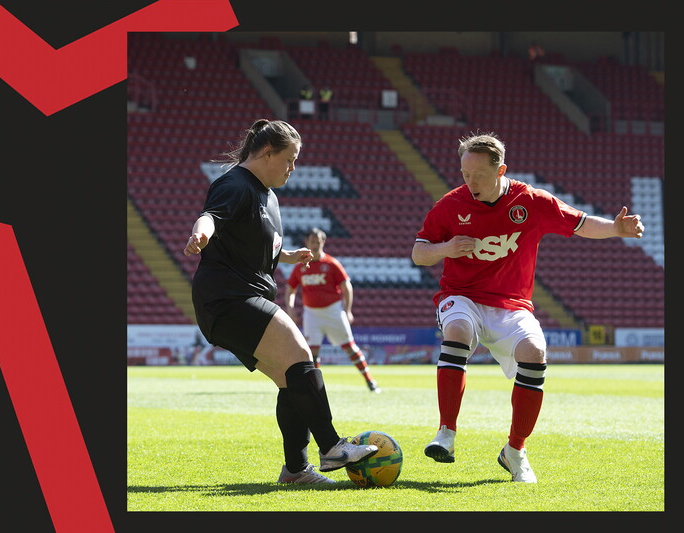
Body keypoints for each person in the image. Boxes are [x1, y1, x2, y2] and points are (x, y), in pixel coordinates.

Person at [412, 132, 645, 483]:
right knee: (457, 330)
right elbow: (419, 253)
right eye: (465, 174)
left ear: (500, 170)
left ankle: (515, 451)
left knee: (535, 352)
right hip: (461, 296)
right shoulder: (450, 204)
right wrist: (446, 248)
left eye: (479, 175)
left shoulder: (532, 201)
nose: (470, 182)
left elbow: (580, 224)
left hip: (511, 304)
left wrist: (615, 228)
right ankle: (446, 432)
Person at [182, 119, 378, 485]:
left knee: (292, 380)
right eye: (289, 159)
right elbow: (210, 218)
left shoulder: (267, 195)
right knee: (301, 356)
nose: (293, 168)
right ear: (267, 153)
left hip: (240, 297)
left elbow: (251, 246)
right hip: (228, 298)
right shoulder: (234, 184)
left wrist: (285, 256)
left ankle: (296, 471)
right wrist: (200, 235)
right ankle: (332, 447)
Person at [284, 227, 380, 393]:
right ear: (306, 243)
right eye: (312, 241)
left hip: (333, 311)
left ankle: (370, 380)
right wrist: (290, 308)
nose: (315, 245)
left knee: (350, 347)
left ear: (323, 242)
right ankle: (316, 387)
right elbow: (290, 289)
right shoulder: (300, 267)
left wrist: (348, 310)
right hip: (311, 313)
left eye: (318, 242)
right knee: (312, 352)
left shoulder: (331, 264)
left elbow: (346, 286)